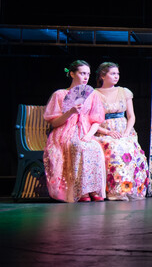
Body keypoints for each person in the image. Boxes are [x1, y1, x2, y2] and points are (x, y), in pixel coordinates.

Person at [43, 60, 107, 202]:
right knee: (78, 147)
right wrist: (70, 112)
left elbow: (96, 120)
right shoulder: (60, 94)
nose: (86, 77)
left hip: (85, 131)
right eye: (82, 73)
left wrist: (89, 135)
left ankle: (93, 189)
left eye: (88, 74)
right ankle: (80, 191)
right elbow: (54, 123)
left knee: (95, 148)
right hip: (64, 132)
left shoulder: (92, 95)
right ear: (72, 74)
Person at [94, 62, 148, 200]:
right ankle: (117, 190)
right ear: (102, 76)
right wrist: (107, 132)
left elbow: (131, 116)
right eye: (113, 73)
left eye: (117, 73)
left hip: (124, 131)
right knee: (115, 149)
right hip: (104, 132)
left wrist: (126, 132)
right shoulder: (94, 94)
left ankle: (130, 189)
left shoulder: (124, 92)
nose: (116, 76)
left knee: (130, 149)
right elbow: (89, 120)